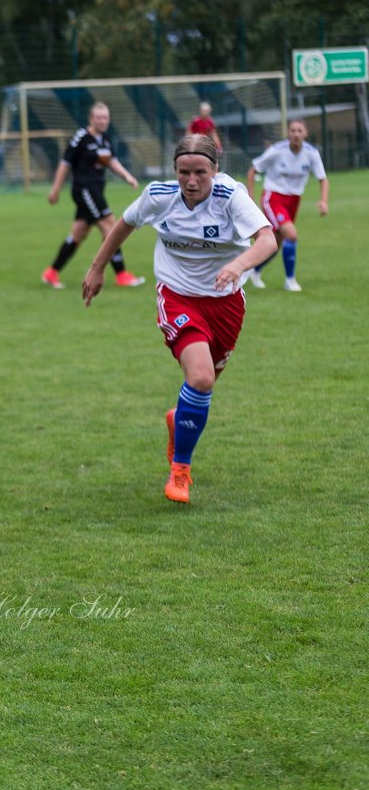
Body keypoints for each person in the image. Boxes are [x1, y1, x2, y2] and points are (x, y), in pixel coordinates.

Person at [82, 134, 276, 504]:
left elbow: (267, 240)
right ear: (175, 170)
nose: (191, 181)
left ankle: (178, 421)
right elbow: (123, 224)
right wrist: (97, 268)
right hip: (177, 295)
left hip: (226, 303)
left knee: (201, 387)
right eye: (184, 172)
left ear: (214, 170)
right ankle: (180, 471)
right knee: (201, 377)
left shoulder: (230, 196)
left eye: (200, 172)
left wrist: (238, 264)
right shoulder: (159, 196)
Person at [43, 102, 145, 289]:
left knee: (78, 234)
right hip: (84, 190)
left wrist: (127, 176)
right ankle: (121, 274)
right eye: (99, 117)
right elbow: (65, 163)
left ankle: (51, 272)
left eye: (105, 117)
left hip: (96, 190)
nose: (102, 120)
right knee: (110, 227)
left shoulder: (105, 139)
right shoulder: (81, 137)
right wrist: (55, 190)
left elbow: (112, 161)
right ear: (91, 118)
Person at [242, 117, 329, 292]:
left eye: (299, 131)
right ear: (288, 133)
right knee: (291, 234)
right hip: (272, 197)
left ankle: (254, 270)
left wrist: (323, 201)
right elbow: (252, 171)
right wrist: (249, 198)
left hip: (293, 200)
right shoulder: (276, 151)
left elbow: (323, 178)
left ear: (306, 133)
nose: (296, 134)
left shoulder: (311, 153)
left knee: (276, 242)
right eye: (293, 130)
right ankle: (290, 281)